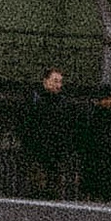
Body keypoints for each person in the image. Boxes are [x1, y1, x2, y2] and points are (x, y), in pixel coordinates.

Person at [16, 64, 76, 201]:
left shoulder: (63, 104)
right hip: (37, 154)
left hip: (55, 156)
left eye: (60, 82)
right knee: (37, 189)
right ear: (45, 81)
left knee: (53, 190)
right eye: (55, 81)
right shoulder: (33, 101)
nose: (58, 85)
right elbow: (25, 126)